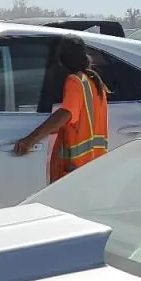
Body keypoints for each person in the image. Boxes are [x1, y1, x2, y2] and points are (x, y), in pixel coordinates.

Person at [14, 36, 109, 181]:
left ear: (61, 59)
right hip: (91, 166)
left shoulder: (75, 82)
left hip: (75, 169)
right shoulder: (93, 82)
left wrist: (31, 139)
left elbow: (66, 113)